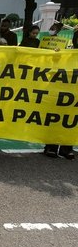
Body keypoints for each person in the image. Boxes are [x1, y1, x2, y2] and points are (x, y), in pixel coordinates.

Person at [43, 22, 74, 160]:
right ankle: (51, 147)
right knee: (56, 118)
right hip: (60, 89)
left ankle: (67, 148)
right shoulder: (66, 47)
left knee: (72, 120)